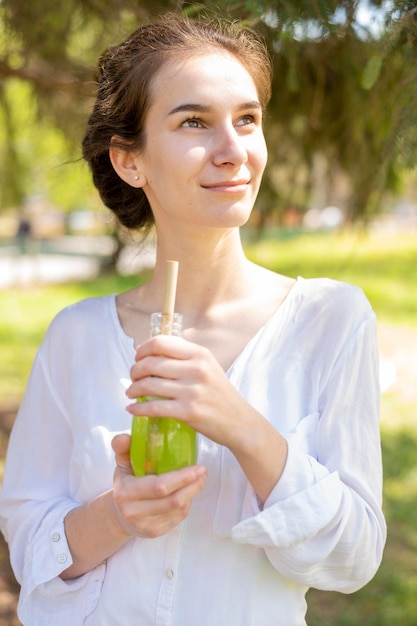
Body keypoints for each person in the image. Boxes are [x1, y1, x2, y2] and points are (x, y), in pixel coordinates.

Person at [0, 14, 386, 626]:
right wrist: (118, 516)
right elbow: (28, 541)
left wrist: (239, 423)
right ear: (131, 161)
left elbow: (354, 556)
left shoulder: (331, 320)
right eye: (194, 122)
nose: (234, 151)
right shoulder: (75, 336)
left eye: (247, 119)